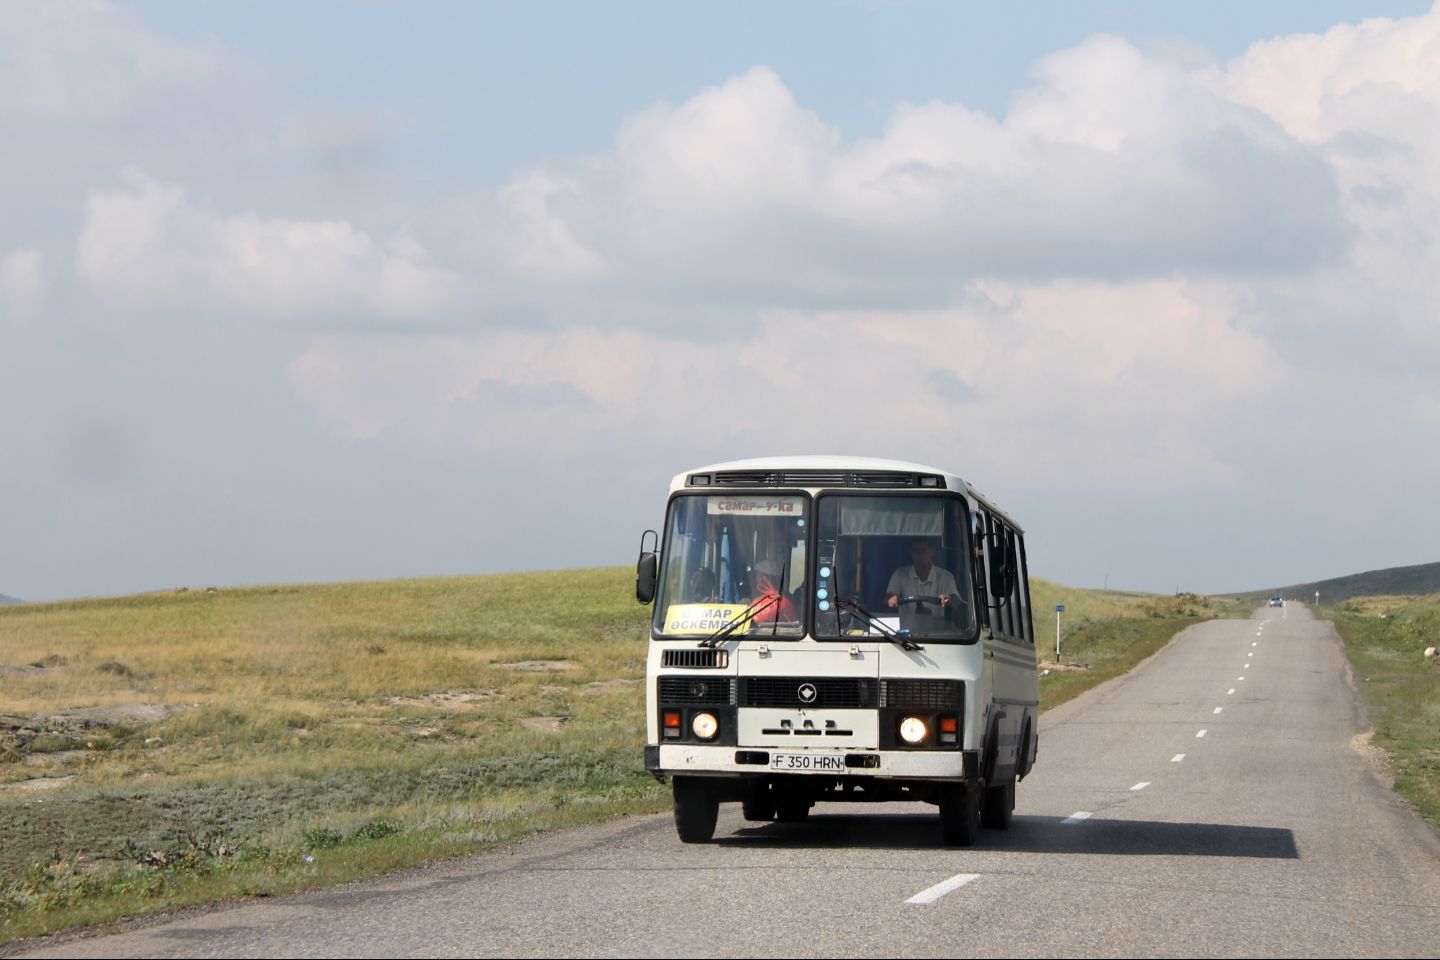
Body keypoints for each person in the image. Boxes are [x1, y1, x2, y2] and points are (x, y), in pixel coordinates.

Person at [886, 540, 960, 634]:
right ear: (910, 553)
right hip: (905, 637)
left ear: (931, 551)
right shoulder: (900, 574)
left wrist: (948, 598)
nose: (919, 555)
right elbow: (887, 598)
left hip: (938, 637)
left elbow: (957, 601)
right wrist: (892, 599)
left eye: (923, 550)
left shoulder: (946, 577)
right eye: (915, 551)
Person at [748, 559, 796, 624]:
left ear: (765, 578)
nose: (756, 578)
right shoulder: (780, 598)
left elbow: (755, 621)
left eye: (758, 574)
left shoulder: (777, 603)